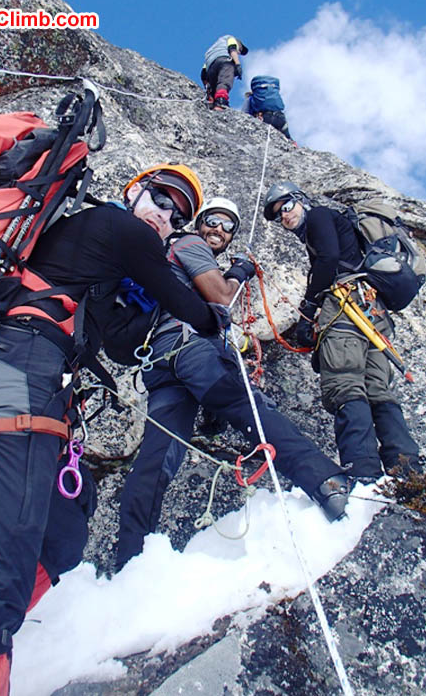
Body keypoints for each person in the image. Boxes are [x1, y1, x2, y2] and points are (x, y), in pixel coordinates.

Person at [0, 164, 223, 695]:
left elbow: (122, 345)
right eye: (160, 198)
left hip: (25, 377)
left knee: (65, 525)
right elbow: (187, 301)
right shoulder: (114, 226)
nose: (165, 214)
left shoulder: (103, 262)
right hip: (17, 371)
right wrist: (216, 318)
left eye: (176, 213)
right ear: (134, 190)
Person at [115, 196, 352, 572]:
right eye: (213, 221)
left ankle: (129, 560)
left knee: (157, 458)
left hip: (160, 367)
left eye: (228, 227)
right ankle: (327, 483)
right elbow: (221, 296)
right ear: (198, 222)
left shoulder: (165, 255)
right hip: (191, 348)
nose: (219, 231)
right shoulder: (188, 244)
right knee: (250, 409)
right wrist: (238, 273)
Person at [263, 182, 420, 482]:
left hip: (347, 304)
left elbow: (329, 259)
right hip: (373, 311)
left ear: (301, 201)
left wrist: (309, 309)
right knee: (377, 390)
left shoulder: (320, 215)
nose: (283, 216)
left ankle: (362, 473)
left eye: (286, 206)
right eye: (276, 215)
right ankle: (408, 472)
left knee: (344, 382)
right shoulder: (329, 226)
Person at [201, 36, 248, 110]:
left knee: (214, 87)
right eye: (240, 49)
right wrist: (237, 64)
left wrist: (208, 90)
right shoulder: (230, 38)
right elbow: (232, 49)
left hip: (210, 68)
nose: (239, 52)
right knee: (225, 81)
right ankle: (220, 101)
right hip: (225, 61)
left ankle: (213, 102)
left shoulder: (212, 51)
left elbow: (203, 73)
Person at [245, 75, 295, 142]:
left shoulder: (251, 98)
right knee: (288, 138)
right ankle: (294, 145)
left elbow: (245, 114)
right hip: (280, 118)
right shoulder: (274, 95)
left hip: (263, 117)